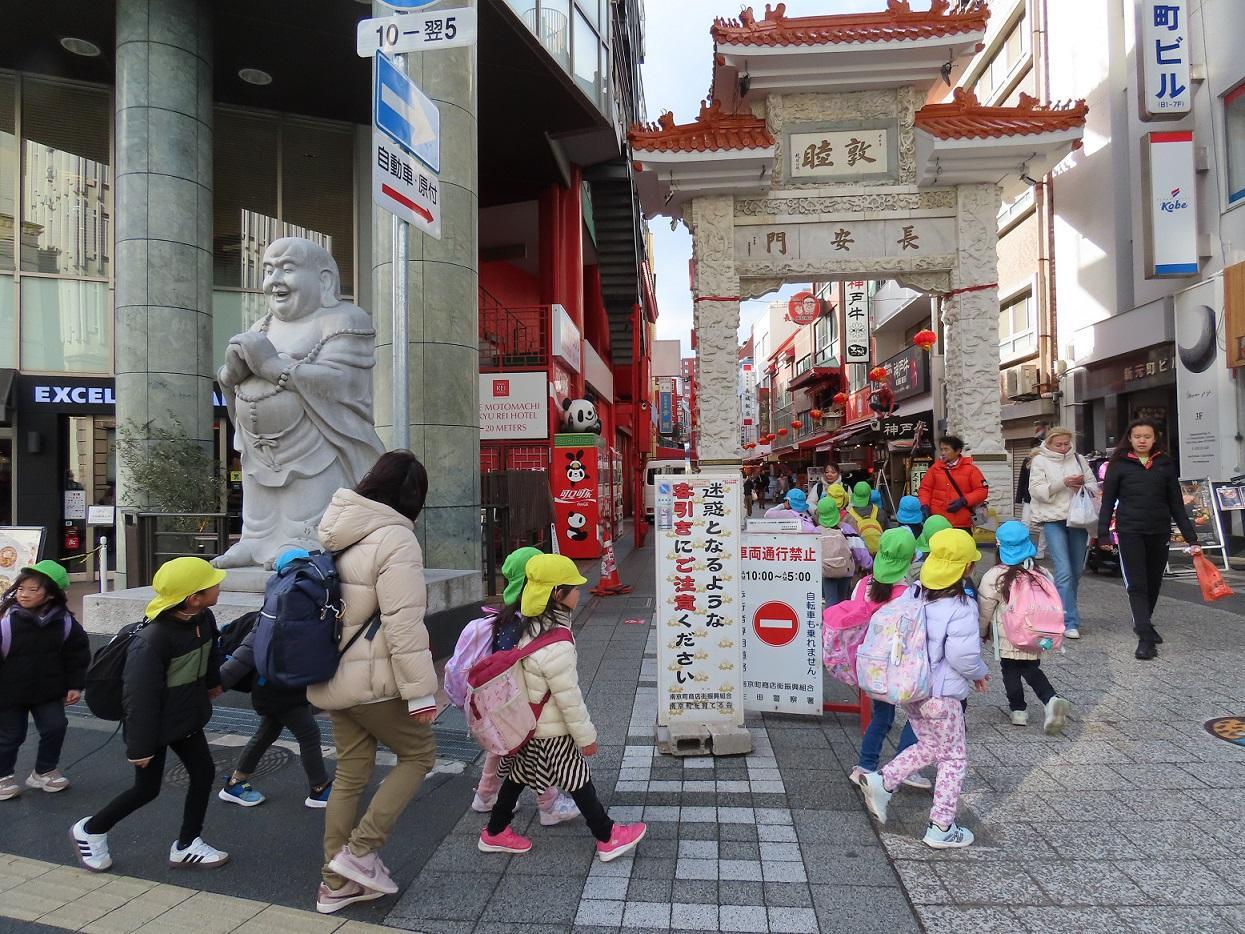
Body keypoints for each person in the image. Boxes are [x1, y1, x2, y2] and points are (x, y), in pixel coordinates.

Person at [310, 451, 439, 914]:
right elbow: (404, 623)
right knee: (419, 754)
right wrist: (421, 692)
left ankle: (335, 883)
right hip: (373, 681)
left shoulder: (337, 530)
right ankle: (361, 851)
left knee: (350, 772)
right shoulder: (396, 538)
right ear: (412, 496)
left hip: (332, 675)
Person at [479, 555, 646, 861]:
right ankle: (607, 836)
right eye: (574, 588)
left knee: (518, 777)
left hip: (532, 724)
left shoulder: (529, 626)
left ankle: (495, 831)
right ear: (557, 594)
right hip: (550, 729)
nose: (580, 592)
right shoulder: (557, 644)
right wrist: (586, 737)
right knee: (578, 779)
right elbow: (568, 697)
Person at [71, 558, 229, 872]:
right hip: (154, 725)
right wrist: (140, 747)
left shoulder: (203, 617)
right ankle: (90, 830)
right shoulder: (153, 639)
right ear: (193, 598)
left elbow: (210, 652)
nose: (218, 585)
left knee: (203, 774)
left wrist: (213, 683)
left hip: (185, 716)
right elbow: (139, 697)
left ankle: (187, 845)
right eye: (211, 584)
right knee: (146, 790)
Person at [856, 529, 989, 849]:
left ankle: (883, 781)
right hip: (942, 695)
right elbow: (963, 656)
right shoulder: (961, 606)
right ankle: (941, 826)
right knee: (954, 758)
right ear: (967, 568)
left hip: (912, 689)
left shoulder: (914, 593)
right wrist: (980, 673)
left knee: (931, 745)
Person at [466, 546, 579, 824]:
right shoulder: (522, 622)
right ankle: (548, 805)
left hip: (502, 700)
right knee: (532, 748)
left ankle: (486, 795)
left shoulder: (507, 616)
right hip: (518, 700)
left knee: (505, 748)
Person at [216, 549, 334, 810]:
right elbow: (246, 652)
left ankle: (236, 782)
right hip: (275, 689)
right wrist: (219, 683)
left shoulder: (284, 610)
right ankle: (319, 788)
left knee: (266, 734)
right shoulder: (273, 615)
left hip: (278, 687)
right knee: (309, 734)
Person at [1097, 419, 1199, 660]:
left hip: (1159, 531)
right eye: (1137, 436)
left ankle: (1145, 623)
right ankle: (1144, 637)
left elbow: (1176, 504)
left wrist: (1191, 538)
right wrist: (1103, 534)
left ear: (1155, 439)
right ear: (1129, 439)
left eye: (1147, 436)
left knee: (1153, 582)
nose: (1142, 440)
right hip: (1130, 531)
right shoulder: (1118, 464)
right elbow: (1108, 501)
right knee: (1137, 584)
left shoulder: (1164, 463)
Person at [843, 529, 929, 790]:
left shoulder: (863, 585)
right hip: (900, 666)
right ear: (910, 559)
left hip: (870, 664)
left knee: (881, 717)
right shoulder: (911, 594)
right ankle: (905, 765)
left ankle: (865, 766)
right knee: (917, 715)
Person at [0, 561, 90, 800]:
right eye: (21, 589)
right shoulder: (6, 621)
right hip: (8, 693)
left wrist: (75, 685)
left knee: (55, 727)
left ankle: (44, 771)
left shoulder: (65, 623)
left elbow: (77, 655)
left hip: (48, 690)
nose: (24, 594)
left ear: (51, 594)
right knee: (11, 735)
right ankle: (3, 776)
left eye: (33, 590)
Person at [977, 522, 1071, 733]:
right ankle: (1050, 699)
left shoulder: (995, 575)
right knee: (1031, 669)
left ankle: (1018, 710)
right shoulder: (1042, 572)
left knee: (1010, 671)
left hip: (1009, 637)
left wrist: (982, 632)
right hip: (1036, 635)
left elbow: (985, 609)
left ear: (1000, 547)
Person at [1027, 427, 1098, 639]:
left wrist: (1082, 486)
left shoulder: (1078, 459)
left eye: (1066, 444)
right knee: (1064, 570)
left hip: (1078, 518)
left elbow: (1094, 486)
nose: (1063, 448)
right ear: (1048, 443)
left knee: (1076, 571)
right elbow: (1036, 491)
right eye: (1059, 444)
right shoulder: (1040, 461)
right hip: (1053, 519)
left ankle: (1064, 610)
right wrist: (1063, 483)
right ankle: (1069, 620)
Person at [918, 436, 988, 530]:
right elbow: (925, 489)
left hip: (961, 522)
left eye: (946, 449)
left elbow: (982, 490)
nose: (943, 453)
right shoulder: (934, 469)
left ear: (958, 451)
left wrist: (964, 500)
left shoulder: (971, 470)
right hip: (937, 522)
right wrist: (924, 505)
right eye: (941, 449)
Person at [816, 497, 856, 607]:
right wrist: (868, 563)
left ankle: (830, 616)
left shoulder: (816, 531)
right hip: (846, 570)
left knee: (830, 599)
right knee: (843, 600)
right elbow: (859, 549)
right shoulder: (847, 529)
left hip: (826, 570)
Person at [846, 482, 884, 554]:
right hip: (879, 553)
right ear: (870, 496)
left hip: (859, 554)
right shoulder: (880, 512)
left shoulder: (849, 514)